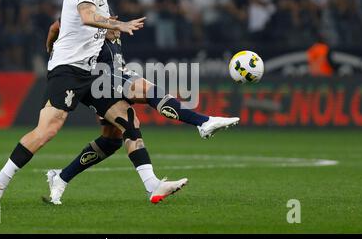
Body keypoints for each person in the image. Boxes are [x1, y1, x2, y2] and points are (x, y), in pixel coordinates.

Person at [0, 0, 192, 208]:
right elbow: (85, 16)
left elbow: (57, 24)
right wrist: (119, 24)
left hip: (92, 72)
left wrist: (52, 40)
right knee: (48, 129)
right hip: (69, 71)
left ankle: (153, 185)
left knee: (127, 123)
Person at [43, 17, 240, 205]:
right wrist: (52, 51)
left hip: (109, 83)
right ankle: (202, 122)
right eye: (108, 20)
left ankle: (61, 177)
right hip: (101, 82)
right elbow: (55, 27)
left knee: (114, 138)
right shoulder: (89, 31)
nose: (114, 24)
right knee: (148, 90)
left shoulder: (115, 36)